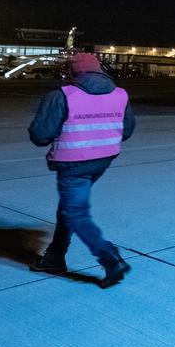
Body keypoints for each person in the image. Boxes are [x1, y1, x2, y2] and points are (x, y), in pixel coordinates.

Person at [28, 52, 135, 287]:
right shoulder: (120, 94)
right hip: (103, 160)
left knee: (76, 213)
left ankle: (111, 258)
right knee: (69, 209)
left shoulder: (61, 96)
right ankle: (55, 257)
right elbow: (126, 131)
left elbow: (40, 135)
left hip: (73, 165)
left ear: (72, 72)